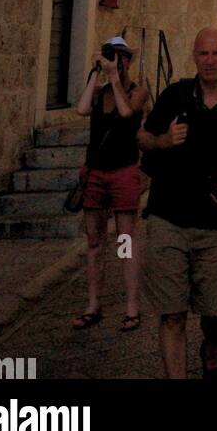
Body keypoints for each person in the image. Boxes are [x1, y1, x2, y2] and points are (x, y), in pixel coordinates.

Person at [138, 27, 217, 378]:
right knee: (172, 313)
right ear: (195, 56)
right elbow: (143, 137)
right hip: (168, 217)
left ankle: (210, 344)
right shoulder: (175, 95)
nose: (210, 60)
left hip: (215, 223)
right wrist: (164, 140)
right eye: (203, 54)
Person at [73, 36, 150, 332]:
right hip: (96, 172)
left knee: (126, 240)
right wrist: (96, 73)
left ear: (129, 61)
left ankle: (132, 306)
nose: (118, 61)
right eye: (113, 56)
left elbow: (127, 112)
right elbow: (81, 109)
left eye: (122, 56)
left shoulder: (139, 90)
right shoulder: (100, 90)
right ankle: (93, 304)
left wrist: (115, 79)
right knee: (94, 242)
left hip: (124, 171)